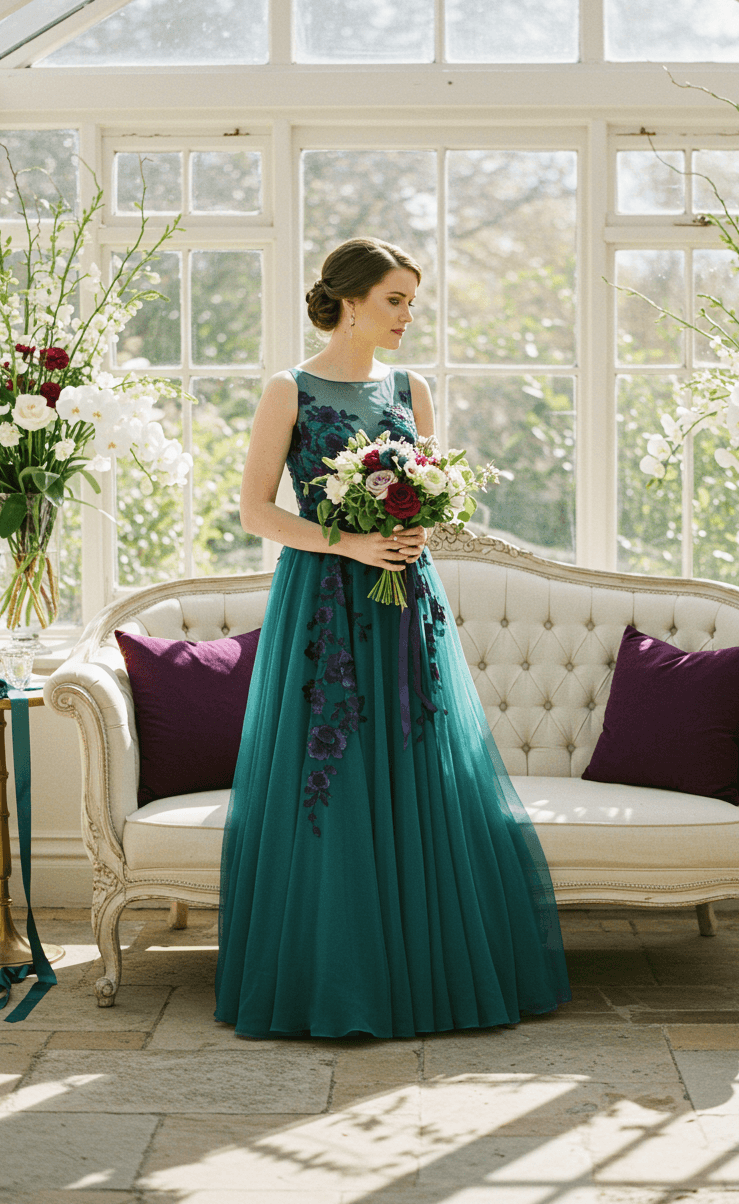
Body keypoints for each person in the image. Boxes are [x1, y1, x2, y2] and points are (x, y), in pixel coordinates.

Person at [215, 237, 570, 1038]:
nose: (410, 315)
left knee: (419, 773)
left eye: (413, 299)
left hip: (406, 599)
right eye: (396, 300)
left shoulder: (413, 387)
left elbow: (431, 494)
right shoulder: (289, 389)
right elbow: (256, 512)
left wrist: (414, 527)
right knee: (331, 782)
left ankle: (428, 978)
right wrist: (348, 542)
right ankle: (335, 984)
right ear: (350, 302)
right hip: (322, 606)